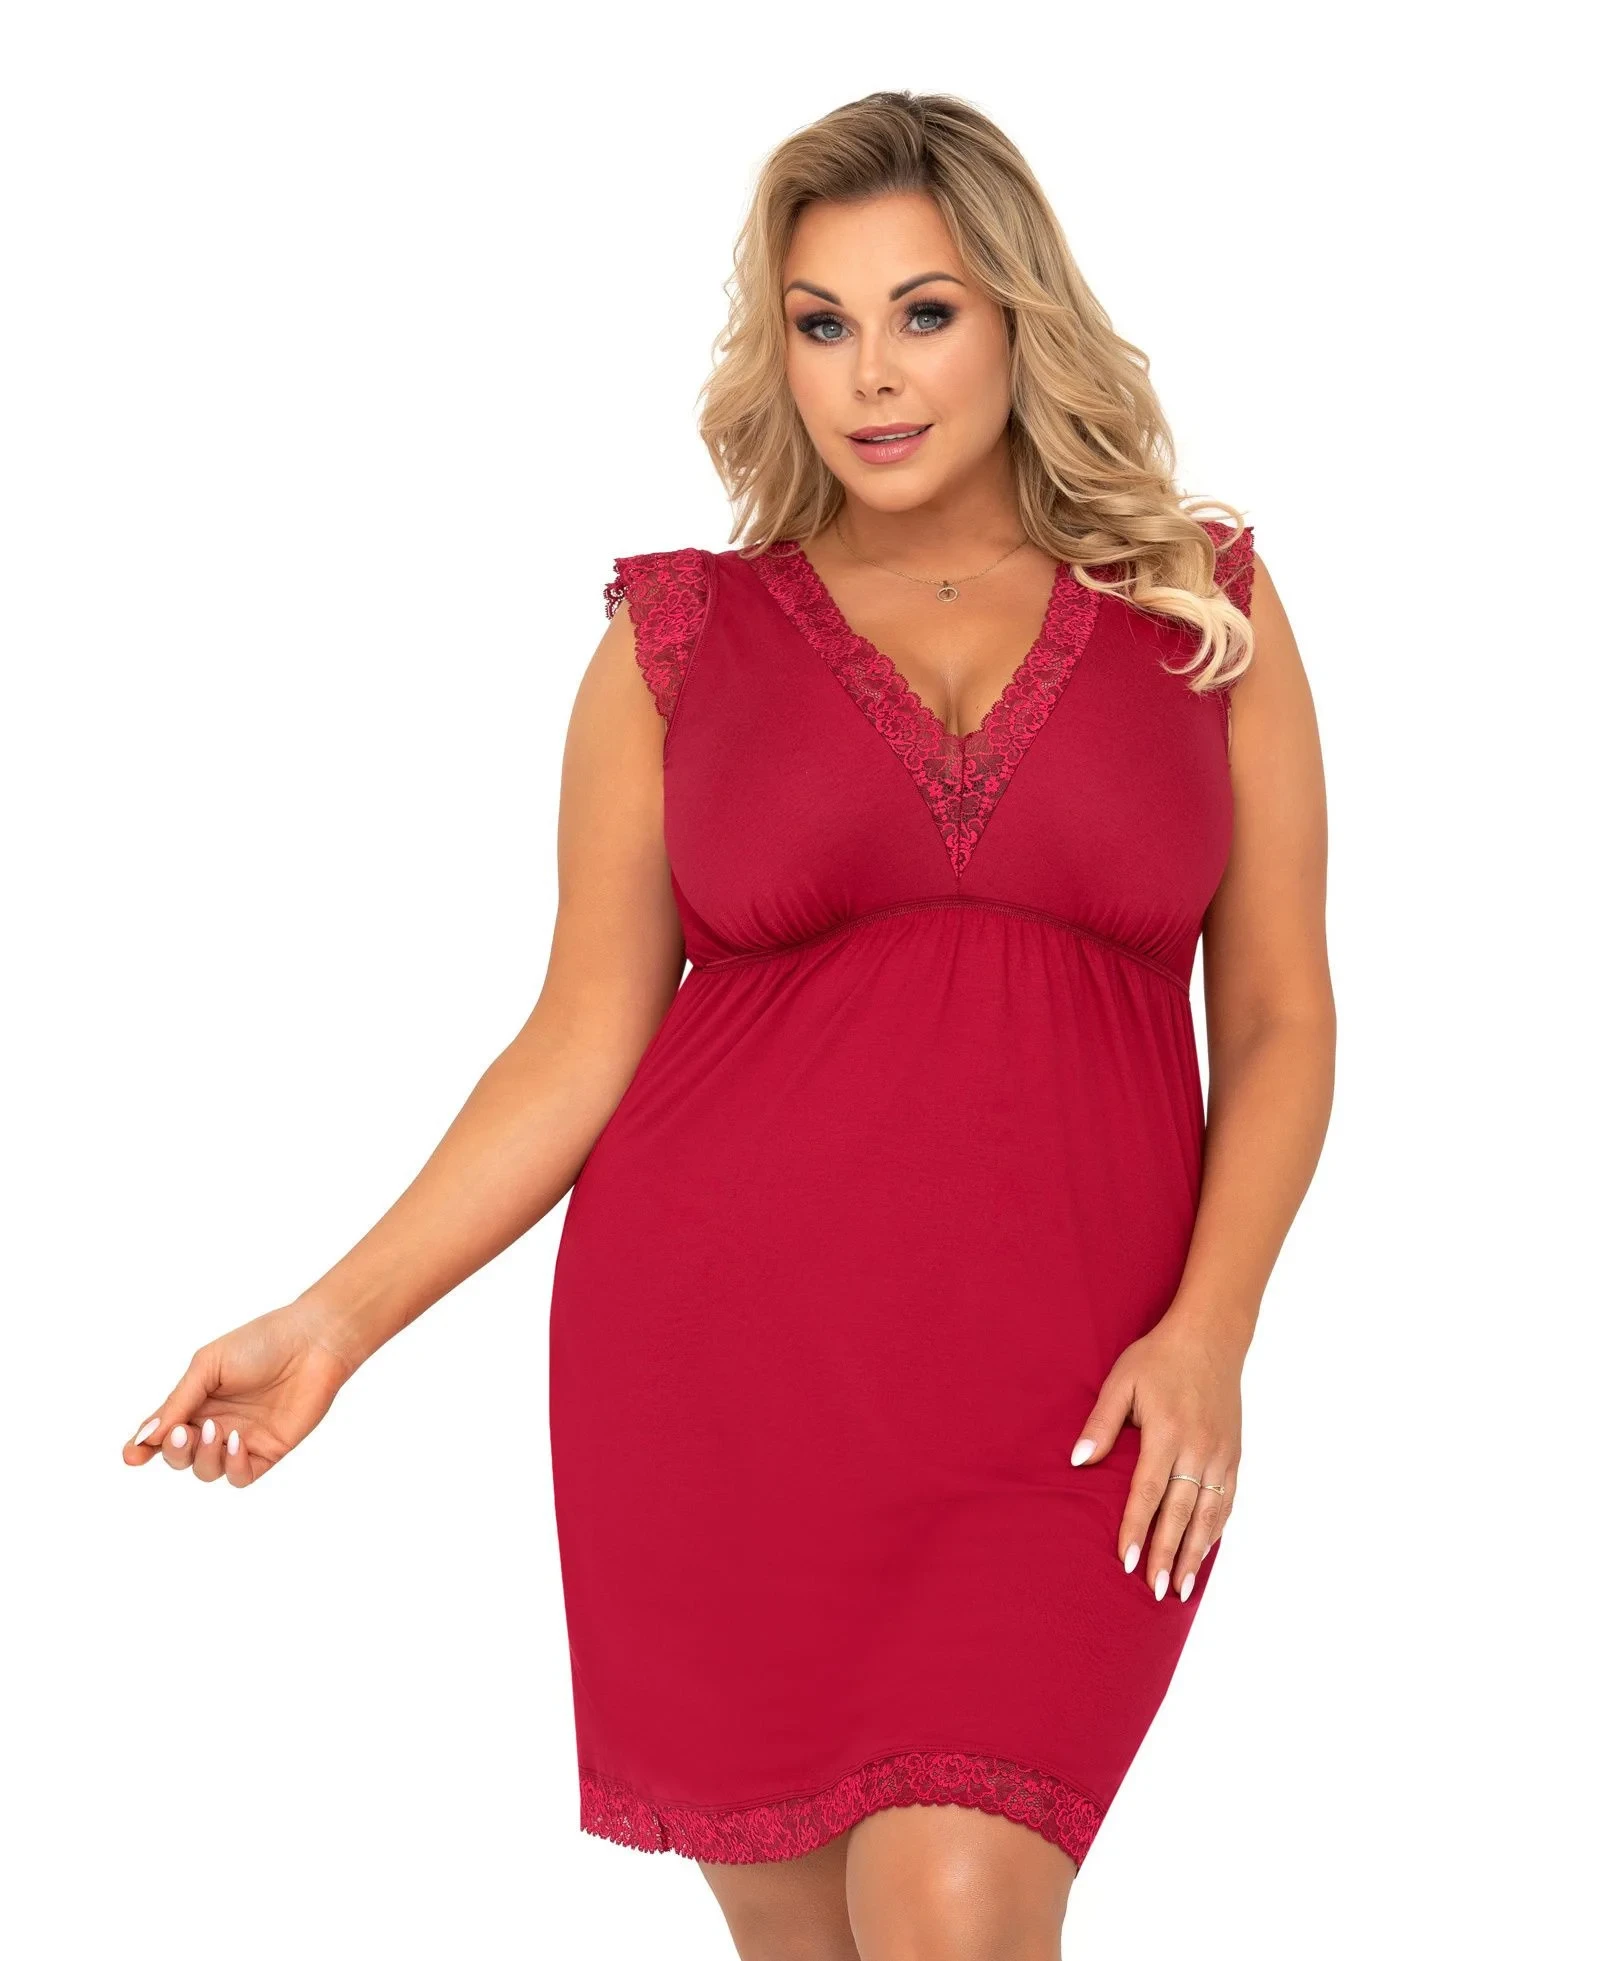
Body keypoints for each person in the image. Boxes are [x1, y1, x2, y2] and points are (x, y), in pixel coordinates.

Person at [122, 90, 1334, 1960]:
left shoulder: (1199, 606)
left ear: (1019, 317)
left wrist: (1213, 1330)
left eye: (925, 313)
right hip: (726, 1381)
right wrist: (332, 1322)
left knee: (955, 1904)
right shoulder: (678, 641)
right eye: (820, 322)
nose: (872, 374)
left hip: (1077, 1396)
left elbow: (1276, 1017)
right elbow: (575, 1042)